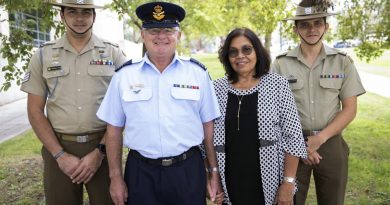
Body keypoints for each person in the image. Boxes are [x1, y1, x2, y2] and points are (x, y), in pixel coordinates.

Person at [96, 2, 222, 205]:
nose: (161, 36)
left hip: (187, 171)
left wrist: (213, 172)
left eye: (168, 30)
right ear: (142, 35)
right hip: (141, 173)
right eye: (153, 30)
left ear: (178, 36)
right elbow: (113, 129)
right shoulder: (124, 76)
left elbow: (208, 126)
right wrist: (116, 177)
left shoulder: (197, 73)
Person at [20, 0, 127, 204]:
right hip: (59, 146)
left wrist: (100, 152)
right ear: (62, 16)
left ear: (94, 17)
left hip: (104, 147)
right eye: (72, 12)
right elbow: (34, 111)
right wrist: (60, 155)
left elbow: (125, 108)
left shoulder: (113, 53)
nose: (79, 18)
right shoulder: (43, 55)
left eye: (86, 12)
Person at [271, 0, 366, 204]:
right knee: (289, 200)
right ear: (295, 29)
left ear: (326, 26)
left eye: (317, 23)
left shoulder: (343, 61)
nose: (311, 29)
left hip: (331, 143)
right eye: (304, 24)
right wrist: (300, 144)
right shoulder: (280, 64)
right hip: (291, 145)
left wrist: (319, 139)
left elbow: (349, 109)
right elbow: (273, 112)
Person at [210, 27, 307, 205]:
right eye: (233, 52)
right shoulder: (216, 89)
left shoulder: (277, 84)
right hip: (230, 184)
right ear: (227, 57)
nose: (240, 56)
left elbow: (293, 137)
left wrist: (288, 183)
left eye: (246, 49)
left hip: (270, 186)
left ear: (257, 51)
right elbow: (207, 138)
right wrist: (212, 175)